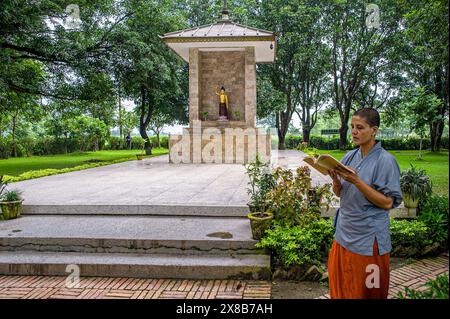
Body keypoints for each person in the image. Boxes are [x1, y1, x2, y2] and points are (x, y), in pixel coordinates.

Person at [327, 108, 403, 299]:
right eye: (352, 127)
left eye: (360, 127)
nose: (354, 131)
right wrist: (336, 182)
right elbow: (340, 193)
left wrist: (357, 181)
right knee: (342, 286)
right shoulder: (350, 156)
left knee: (369, 290)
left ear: (374, 130)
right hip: (344, 233)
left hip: (368, 239)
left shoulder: (385, 161)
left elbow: (387, 203)